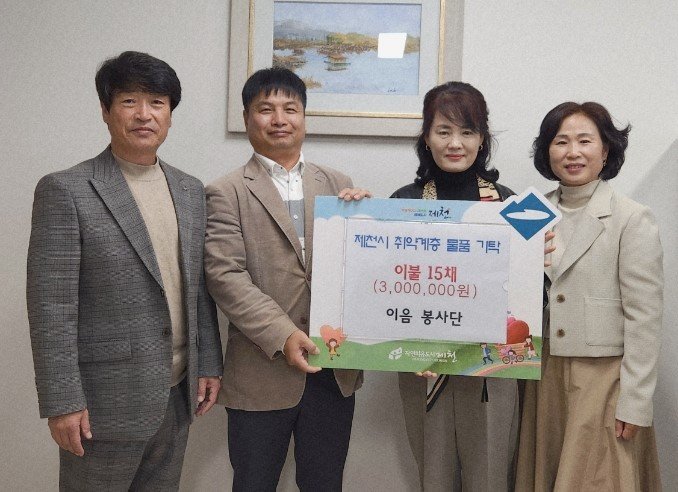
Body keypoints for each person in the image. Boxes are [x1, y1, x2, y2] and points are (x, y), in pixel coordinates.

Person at [26, 51, 223, 491]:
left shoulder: (190, 189)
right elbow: (51, 307)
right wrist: (62, 401)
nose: (143, 114)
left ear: (170, 114)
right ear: (106, 110)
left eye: (157, 102)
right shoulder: (66, 189)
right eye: (129, 101)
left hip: (177, 394)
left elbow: (198, 289)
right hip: (101, 402)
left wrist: (209, 362)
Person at [204, 67, 371, 492]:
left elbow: (364, 271)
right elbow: (225, 276)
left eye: (290, 109)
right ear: (247, 118)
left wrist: (370, 223)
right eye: (266, 109)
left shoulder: (340, 185)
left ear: (304, 118)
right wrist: (283, 334)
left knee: (325, 484)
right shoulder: (225, 191)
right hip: (262, 370)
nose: (279, 119)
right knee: (254, 484)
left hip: (333, 370)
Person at [515, 102, 663, 490]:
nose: (573, 152)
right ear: (547, 151)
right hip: (544, 372)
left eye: (585, 141)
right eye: (561, 141)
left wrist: (636, 402)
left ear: (606, 150)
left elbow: (644, 317)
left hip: (605, 378)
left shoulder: (631, 217)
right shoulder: (529, 212)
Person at [391, 81, 520, 491]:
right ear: (426, 137)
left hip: (493, 369)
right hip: (422, 365)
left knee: (490, 476)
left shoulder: (511, 205)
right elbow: (381, 287)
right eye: (443, 131)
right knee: (433, 475)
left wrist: (541, 259)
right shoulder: (401, 203)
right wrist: (353, 213)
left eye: (467, 132)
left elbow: (533, 293)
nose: (455, 143)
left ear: (482, 139)